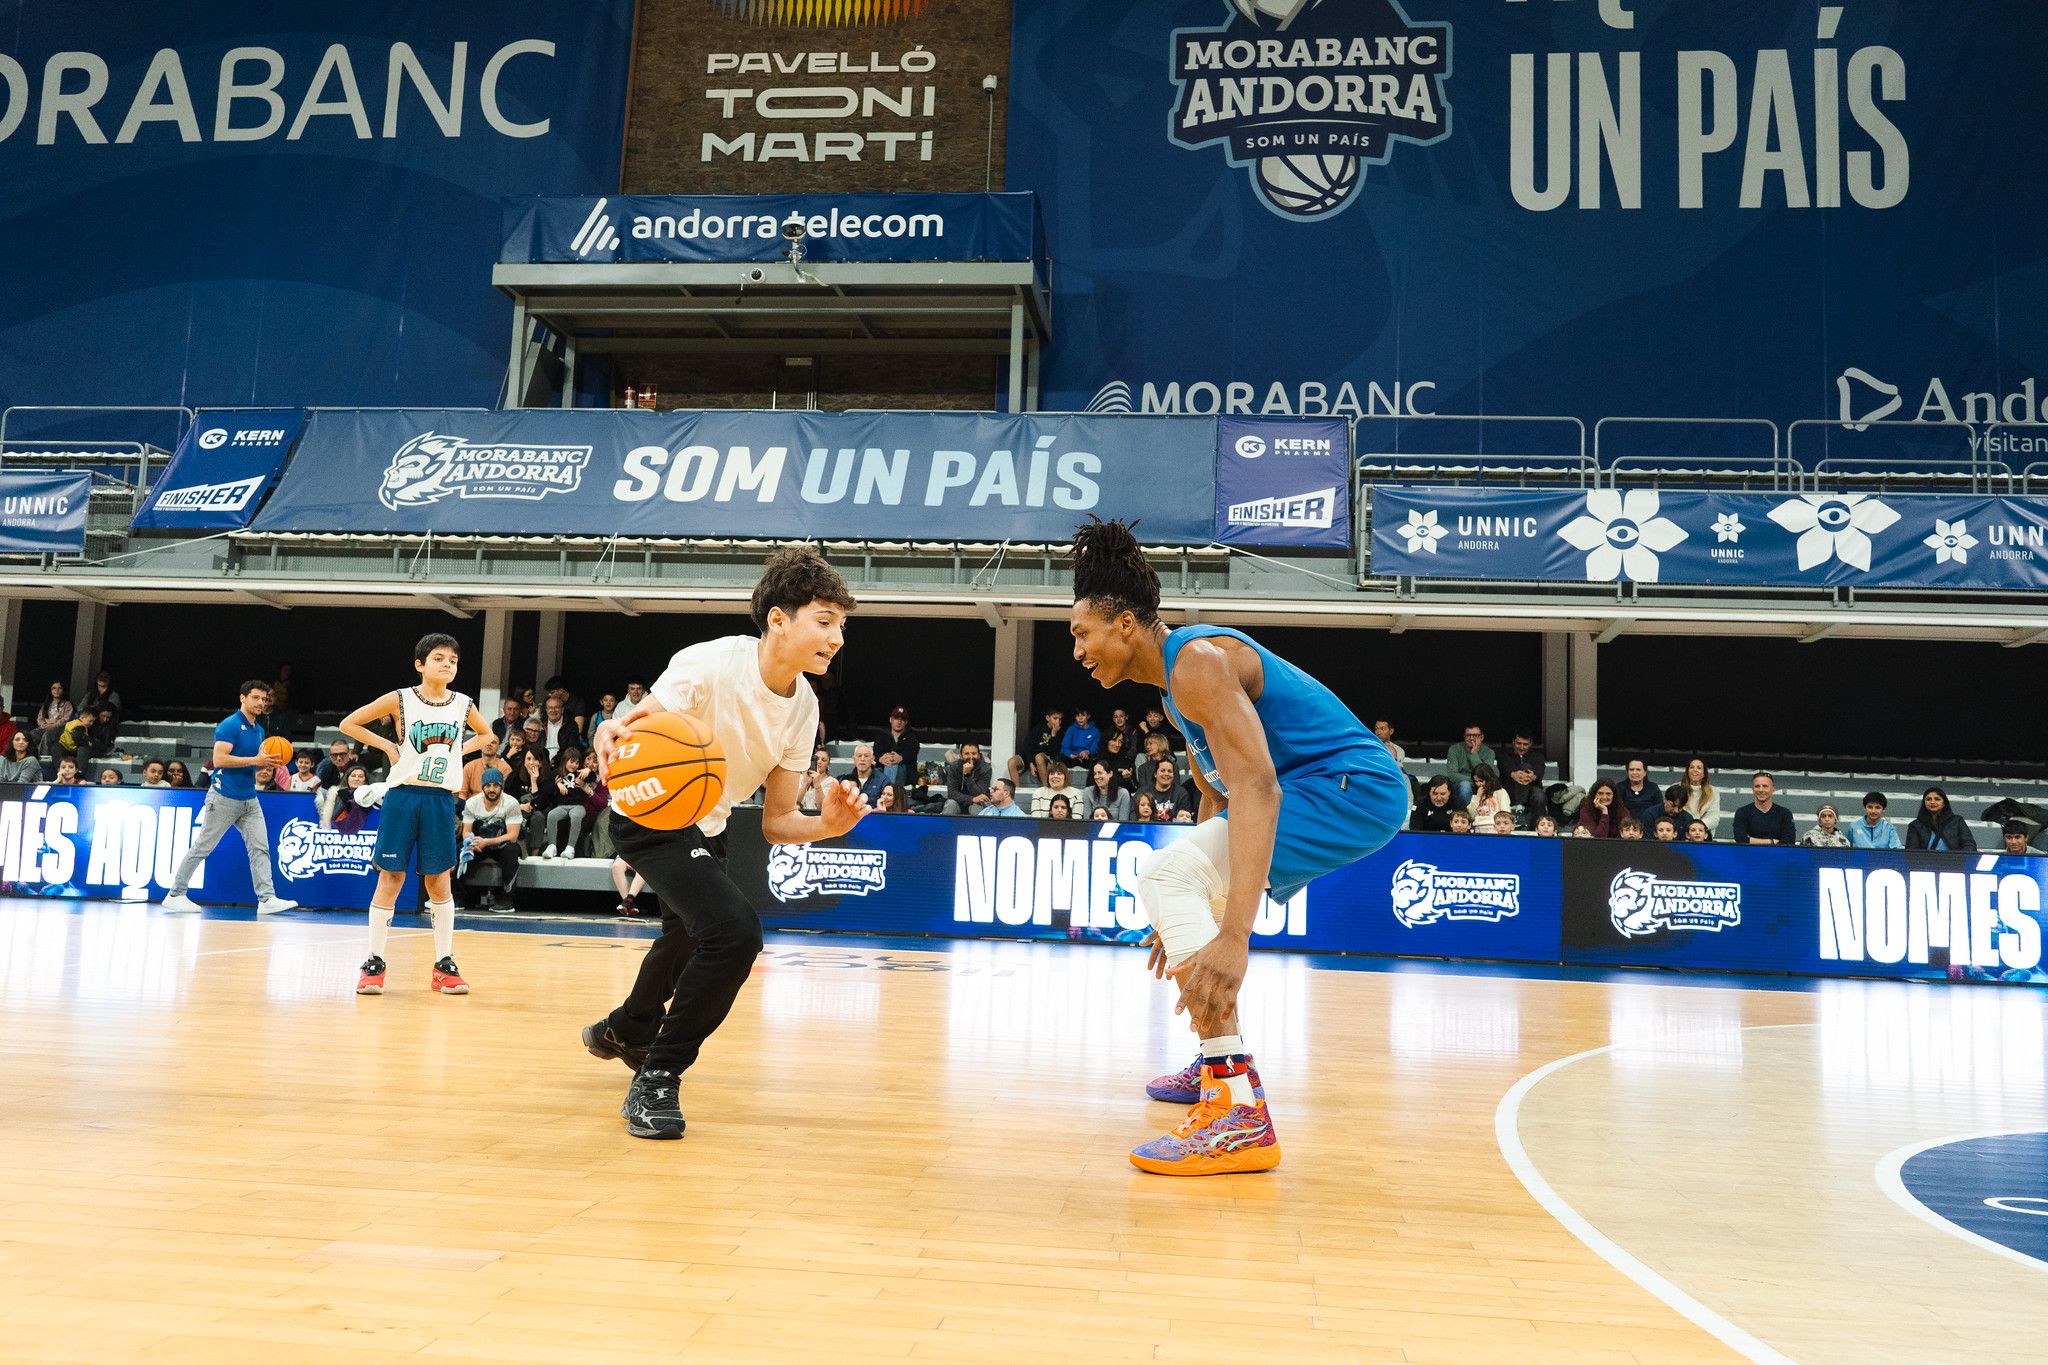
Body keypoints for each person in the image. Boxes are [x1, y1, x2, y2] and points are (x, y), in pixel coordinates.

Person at [1067, 517, 1410, 1177]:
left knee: (1166, 875)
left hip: (1355, 789)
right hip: (1323, 789)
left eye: (1082, 633)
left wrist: (1231, 933)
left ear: (1125, 626)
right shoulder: (1175, 694)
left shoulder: (1197, 661)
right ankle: (1217, 1064)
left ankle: (1235, 1110)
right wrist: (1191, 907)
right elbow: (1218, 799)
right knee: (1175, 880)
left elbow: (1259, 788)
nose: (1077, 651)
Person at [583, 546, 870, 1141]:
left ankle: (629, 1027)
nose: (837, 637)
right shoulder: (710, 664)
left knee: (687, 936)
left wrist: (828, 827)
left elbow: (777, 819)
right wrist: (614, 728)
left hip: (704, 825)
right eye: (824, 621)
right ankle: (658, 1075)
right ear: (778, 619)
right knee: (735, 931)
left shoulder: (805, 706)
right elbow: (635, 729)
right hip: (648, 814)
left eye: (842, 626)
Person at [339, 634, 492, 995]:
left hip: (440, 799)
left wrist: (458, 751)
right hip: (403, 796)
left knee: (439, 881)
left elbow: (487, 735)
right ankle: (374, 962)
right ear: (419, 664)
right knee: (391, 877)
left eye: (453, 660)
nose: (448, 665)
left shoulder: (464, 704)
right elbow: (350, 724)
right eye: (439, 658)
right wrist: (389, 745)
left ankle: (444, 965)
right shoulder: (400, 698)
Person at [161, 681, 299, 917]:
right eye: (255, 698)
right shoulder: (230, 725)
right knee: (203, 846)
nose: (260, 703)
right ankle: (175, 894)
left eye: (263, 699)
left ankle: (266, 899)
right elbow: (220, 760)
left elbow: (248, 763)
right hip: (224, 797)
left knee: (260, 848)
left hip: (249, 798)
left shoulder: (259, 729)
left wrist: (265, 765)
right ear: (242, 698)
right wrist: (256, 761)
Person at [459, 768, 523, 914]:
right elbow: (466, 832)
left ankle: (507, 899)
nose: (492, 789)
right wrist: (470, 842)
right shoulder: (471, 803)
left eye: (496, 785)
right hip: (479, 844)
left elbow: (513, 836)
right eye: (488, 785)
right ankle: (458, 897)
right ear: (483, 787)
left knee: (512, 850)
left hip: (500, 844)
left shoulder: (511, 803)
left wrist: (487, 842)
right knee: (459, 850)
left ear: (502, 787)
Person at [1731, 772, 1796, 846]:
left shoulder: (1785, 813)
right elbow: (1740, 839)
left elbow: (1789, 842)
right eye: (1757, 786)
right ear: (1752, 789)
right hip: (1750, 855)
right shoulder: (1742, 812)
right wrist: (1772, 842)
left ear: (1773, 789)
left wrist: (1751, 840)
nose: (1761, 790)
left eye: (1765, 786)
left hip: (1777, 855)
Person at [1905, 786, 1977, 851]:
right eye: (1928, 799)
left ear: (1944, 803)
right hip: (1925, 864)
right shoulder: (1915, 825)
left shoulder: (1957, 821)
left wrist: (1958, 860)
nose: (1932, 802)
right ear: (1924, 803)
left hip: (1955, 863)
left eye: (1937, 799)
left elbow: (1969, 845)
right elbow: (1911, 852)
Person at [1014, 707, 1067, 788]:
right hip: (1031, 757)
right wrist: (1031, 763)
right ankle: (1016, 791)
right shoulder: (1038, 729)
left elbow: (1053, 752)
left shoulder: (1061, 733)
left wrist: (1053, 735)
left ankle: (1046, 788)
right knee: (1012, 762)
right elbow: (1028, 746)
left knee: (1039, 757)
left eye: (1060, 719)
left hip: (1047, 758)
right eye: (1055, 718)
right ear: (1047, 718)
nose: (1057, 721)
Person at [1445, 724, 1496, 805]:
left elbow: (1487, 775)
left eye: (1475, 735)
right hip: (1460, 785)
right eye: (1468, 735)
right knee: (1465, 785)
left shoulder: (1489, 752)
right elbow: (1452, 774)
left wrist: (1474, 755)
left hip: (1483, 785)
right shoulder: (1454, 749)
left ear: (1481, 737)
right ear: (1464, 737)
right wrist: (1474, 781)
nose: (1471, 738)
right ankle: (1466, 814)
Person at [875, 706, 921, 791]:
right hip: (882, 768)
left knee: (892, 765)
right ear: (890, 720)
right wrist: (881, 759)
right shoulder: (881, 735)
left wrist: (901, 758)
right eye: (896, 718)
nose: (899, 721)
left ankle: (889, 795)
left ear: (906, 722)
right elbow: (876, 753)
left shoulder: (912, 737)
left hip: (905, 773)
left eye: (902, 719)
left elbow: (911, 753)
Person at [942, 740, 992, 815]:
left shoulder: (986, 768)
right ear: (961, 756)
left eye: (974, 753)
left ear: (978, 755)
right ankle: (945, 826)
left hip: (978, 804)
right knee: (950, 804)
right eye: (967, 754)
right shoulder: (954, 767)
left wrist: (968, 776)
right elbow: (952, 794)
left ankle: (979, 827)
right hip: (959, 802)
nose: (971, 757)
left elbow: (981, 794)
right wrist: (971, 799)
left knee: (976, 807)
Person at [31, 681, 72, 758]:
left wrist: (53, 725)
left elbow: (66, 719)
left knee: (47, 735)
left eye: (60, 688)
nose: (56, 690)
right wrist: (43, 725)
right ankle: (28, 755)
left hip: (58, 729)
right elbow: (40, 718)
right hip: (45, 727)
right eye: (54, 688)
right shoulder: (47, 704)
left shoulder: (67, 704)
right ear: (50, 690)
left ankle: (43, 757)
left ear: (63, 690)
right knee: (31, 734)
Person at [1467, 764, 1515, 829]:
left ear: (1488, 778)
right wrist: (1477, 797)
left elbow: (1505, 814)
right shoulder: (1477, 793)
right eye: (1476, 781)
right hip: (1477, 827)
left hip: (1495, 827)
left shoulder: (1501, 792)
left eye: (1481, 781)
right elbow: (1471, 815)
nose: (1478, 784)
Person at [1616, 760, 1662, 825]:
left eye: (1638, 769)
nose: (1634, 772)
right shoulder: (1619, 787)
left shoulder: (1653, 787)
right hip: (1625, 826)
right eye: (1631, 770)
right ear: (1627, 772)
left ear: (1645, 773)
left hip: (1648, 826)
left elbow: (1659, 809)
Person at [1679, 758, 1721, 828]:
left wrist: (1696, 827)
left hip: (1703, 831)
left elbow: (1714, 818)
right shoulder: (1676, 788)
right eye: (1692, 767)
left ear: (1704, 774)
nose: (1695, 770)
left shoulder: (1714, 791)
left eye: (1699, 768)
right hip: (1681, 829)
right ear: (1687, 772)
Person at [796, 747, 834, 814]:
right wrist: (806, 783)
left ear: (828, 764)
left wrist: (817, 784)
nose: (819, 762)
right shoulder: (802, 777)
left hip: (818, 817)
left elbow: (822, 808)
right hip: (800, 816)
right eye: (816, 759)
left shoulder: (831, 782)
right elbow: (795, 802)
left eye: (823, 760)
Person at [848, 741, 886, 806]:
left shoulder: (883, 781)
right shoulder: (846, 780)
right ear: (854, 759)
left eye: (866, 756)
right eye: (859, 756)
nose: (862, 759)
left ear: (872, 759)